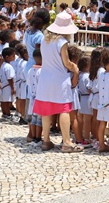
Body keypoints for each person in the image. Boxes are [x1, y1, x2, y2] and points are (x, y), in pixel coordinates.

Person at [34, 11, 82, 152]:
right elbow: (66, 63)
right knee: (64, 109)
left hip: (45, 77)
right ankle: (66, 142)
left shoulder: (44, 40)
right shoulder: (62, 42)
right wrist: (75, 68)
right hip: (59, 79)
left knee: (46, 110)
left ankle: (46, 140)